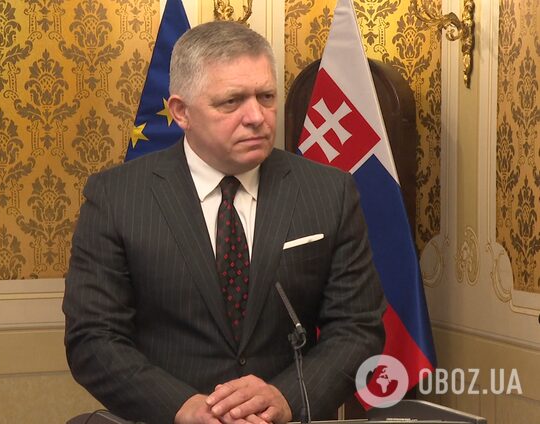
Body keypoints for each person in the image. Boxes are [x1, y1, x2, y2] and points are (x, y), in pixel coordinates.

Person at [63, 20, 386, 424]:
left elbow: (357, 328)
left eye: (266, 97)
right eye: (231, 102)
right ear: (181, 112)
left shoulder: (329, 192)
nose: (256, 117)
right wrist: (183, 406)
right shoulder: (117, 197)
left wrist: (285, 398)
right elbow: (93, 338)